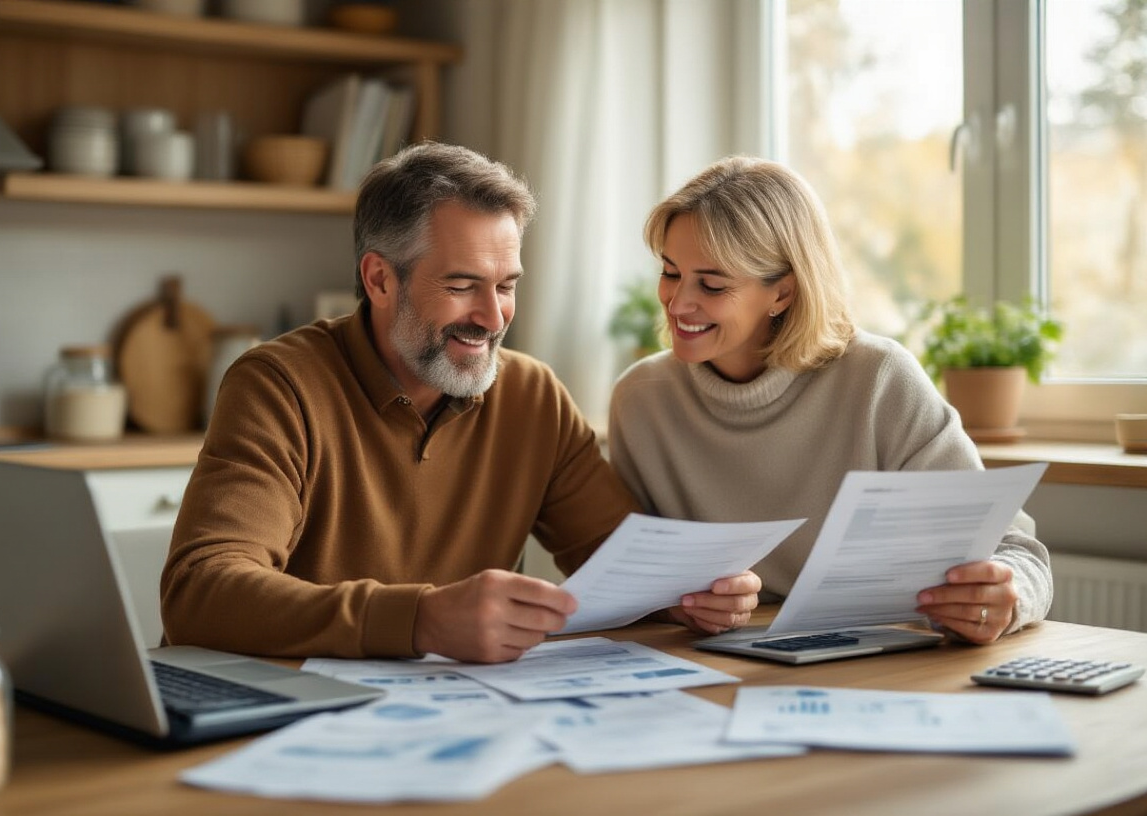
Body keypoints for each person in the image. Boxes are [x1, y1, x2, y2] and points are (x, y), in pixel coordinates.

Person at [160, 142, 748, 664]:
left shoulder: (532, 396)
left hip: (459, 720)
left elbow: (629, 571)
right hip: (275, 718)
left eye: (507, 286)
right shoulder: (278, 386)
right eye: (462, 286)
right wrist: (422, 620)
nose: (493, 319)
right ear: (379, 280)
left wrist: (696, 596)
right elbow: (200, 592)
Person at [608, 156, 1052, 645]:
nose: (678, 302)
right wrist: (675, 603)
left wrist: (1004, 597)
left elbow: (1015, 550)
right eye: (671, 273)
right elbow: (630, 576)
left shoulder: (879, 379)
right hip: (721, 665)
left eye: (712, 285)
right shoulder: (642, 400)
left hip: (882, 661)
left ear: (783, 293)